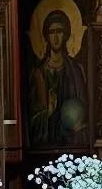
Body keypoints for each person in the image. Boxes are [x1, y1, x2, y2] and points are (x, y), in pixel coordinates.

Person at [24, 8, 88, 149]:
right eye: (51, 32)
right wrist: (48, 112)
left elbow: (84, 106)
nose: (56, 37)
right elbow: (31, 118)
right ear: (46, 36)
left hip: (74, 141)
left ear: (66, 34)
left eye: (59, 31)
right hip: (45, 143)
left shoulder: (76, 69)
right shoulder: (38, 73)